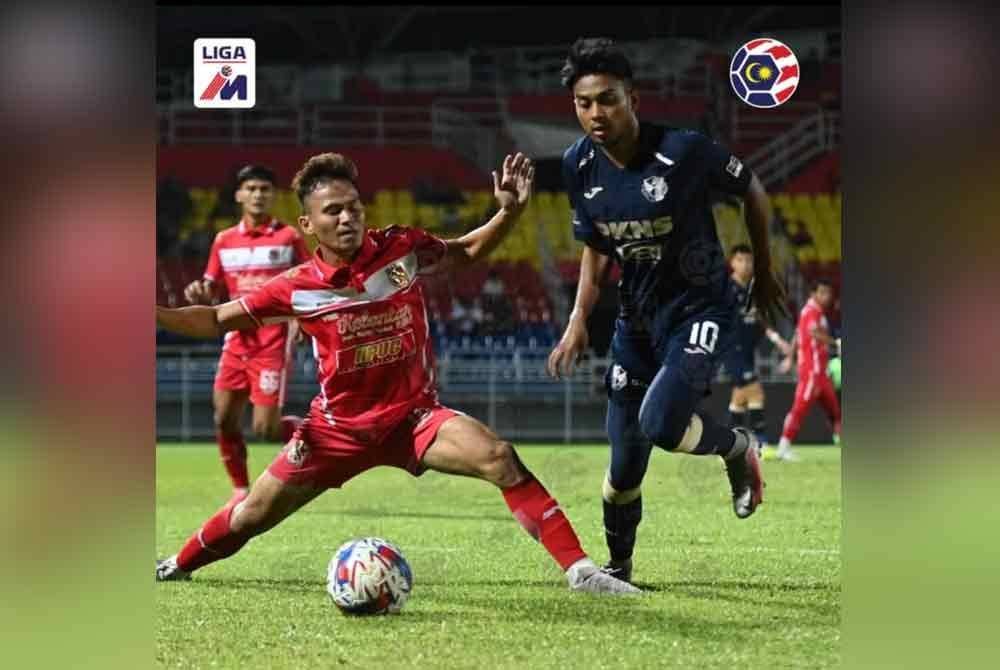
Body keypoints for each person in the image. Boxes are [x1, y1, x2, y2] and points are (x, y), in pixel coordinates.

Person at [155, 151, 638, 596]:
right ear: (308, 224)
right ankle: (177, 563)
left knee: (499, 458)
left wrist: (508, 213)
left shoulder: (400, 247)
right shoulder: (295, 288)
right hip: (337, 432)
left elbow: (466, 251)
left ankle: (582, 572)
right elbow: (216, 318)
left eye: (353, 207)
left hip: (414, 419)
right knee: (251, 515)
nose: (347, 218)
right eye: (332, 211)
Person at [546, 38, 788, 584]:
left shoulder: (684, 151)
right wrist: (578, 317)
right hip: (636, 321)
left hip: (700, 309)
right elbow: (595, 246)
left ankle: (737, 447)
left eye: (607, 100)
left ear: (632, 98)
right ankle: (620, 567)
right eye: (584, 103)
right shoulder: (577, 164)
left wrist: (766, 268)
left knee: (659, 423)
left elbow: (752, 187)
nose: (596, 113)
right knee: (623, 467)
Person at [181, 164, 311, 506]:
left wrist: (300, 318)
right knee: (224, 418)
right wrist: (200, 291)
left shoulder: (289, 237)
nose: (258, 195)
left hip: (272, 341)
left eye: (265, 189)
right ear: (239, 195)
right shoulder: (223, 240)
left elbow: (310, 279)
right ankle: (240, 489)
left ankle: (306, 434)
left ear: (273, 196)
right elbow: (211, 286)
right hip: (235, 340)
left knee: (265, 430)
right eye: (251, 188)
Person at [721, 244, 794, 453]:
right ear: (732, 263)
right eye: (740, 260)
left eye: (749, 260)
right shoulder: (726, 290)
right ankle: (761, 443)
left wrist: (777, 340)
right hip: (732, 351)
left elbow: (760, 319)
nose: (745, 265)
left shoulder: (752, 290)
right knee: (756, 394)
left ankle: (727, 446)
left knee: (739, 400)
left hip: (747, 351)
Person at [775, 279, 842, 460]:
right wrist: (835, 343)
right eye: (822, 292)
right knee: (799, 408)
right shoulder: (811, 311)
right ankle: (783, 447)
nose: (827, 296)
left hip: (822, 372)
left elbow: (798, 335)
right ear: (813, 294)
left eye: (828, 293)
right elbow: (814, 333)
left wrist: (790, 358)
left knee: (835, 411)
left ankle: (840, 441)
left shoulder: (815, 311)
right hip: (811, 371)